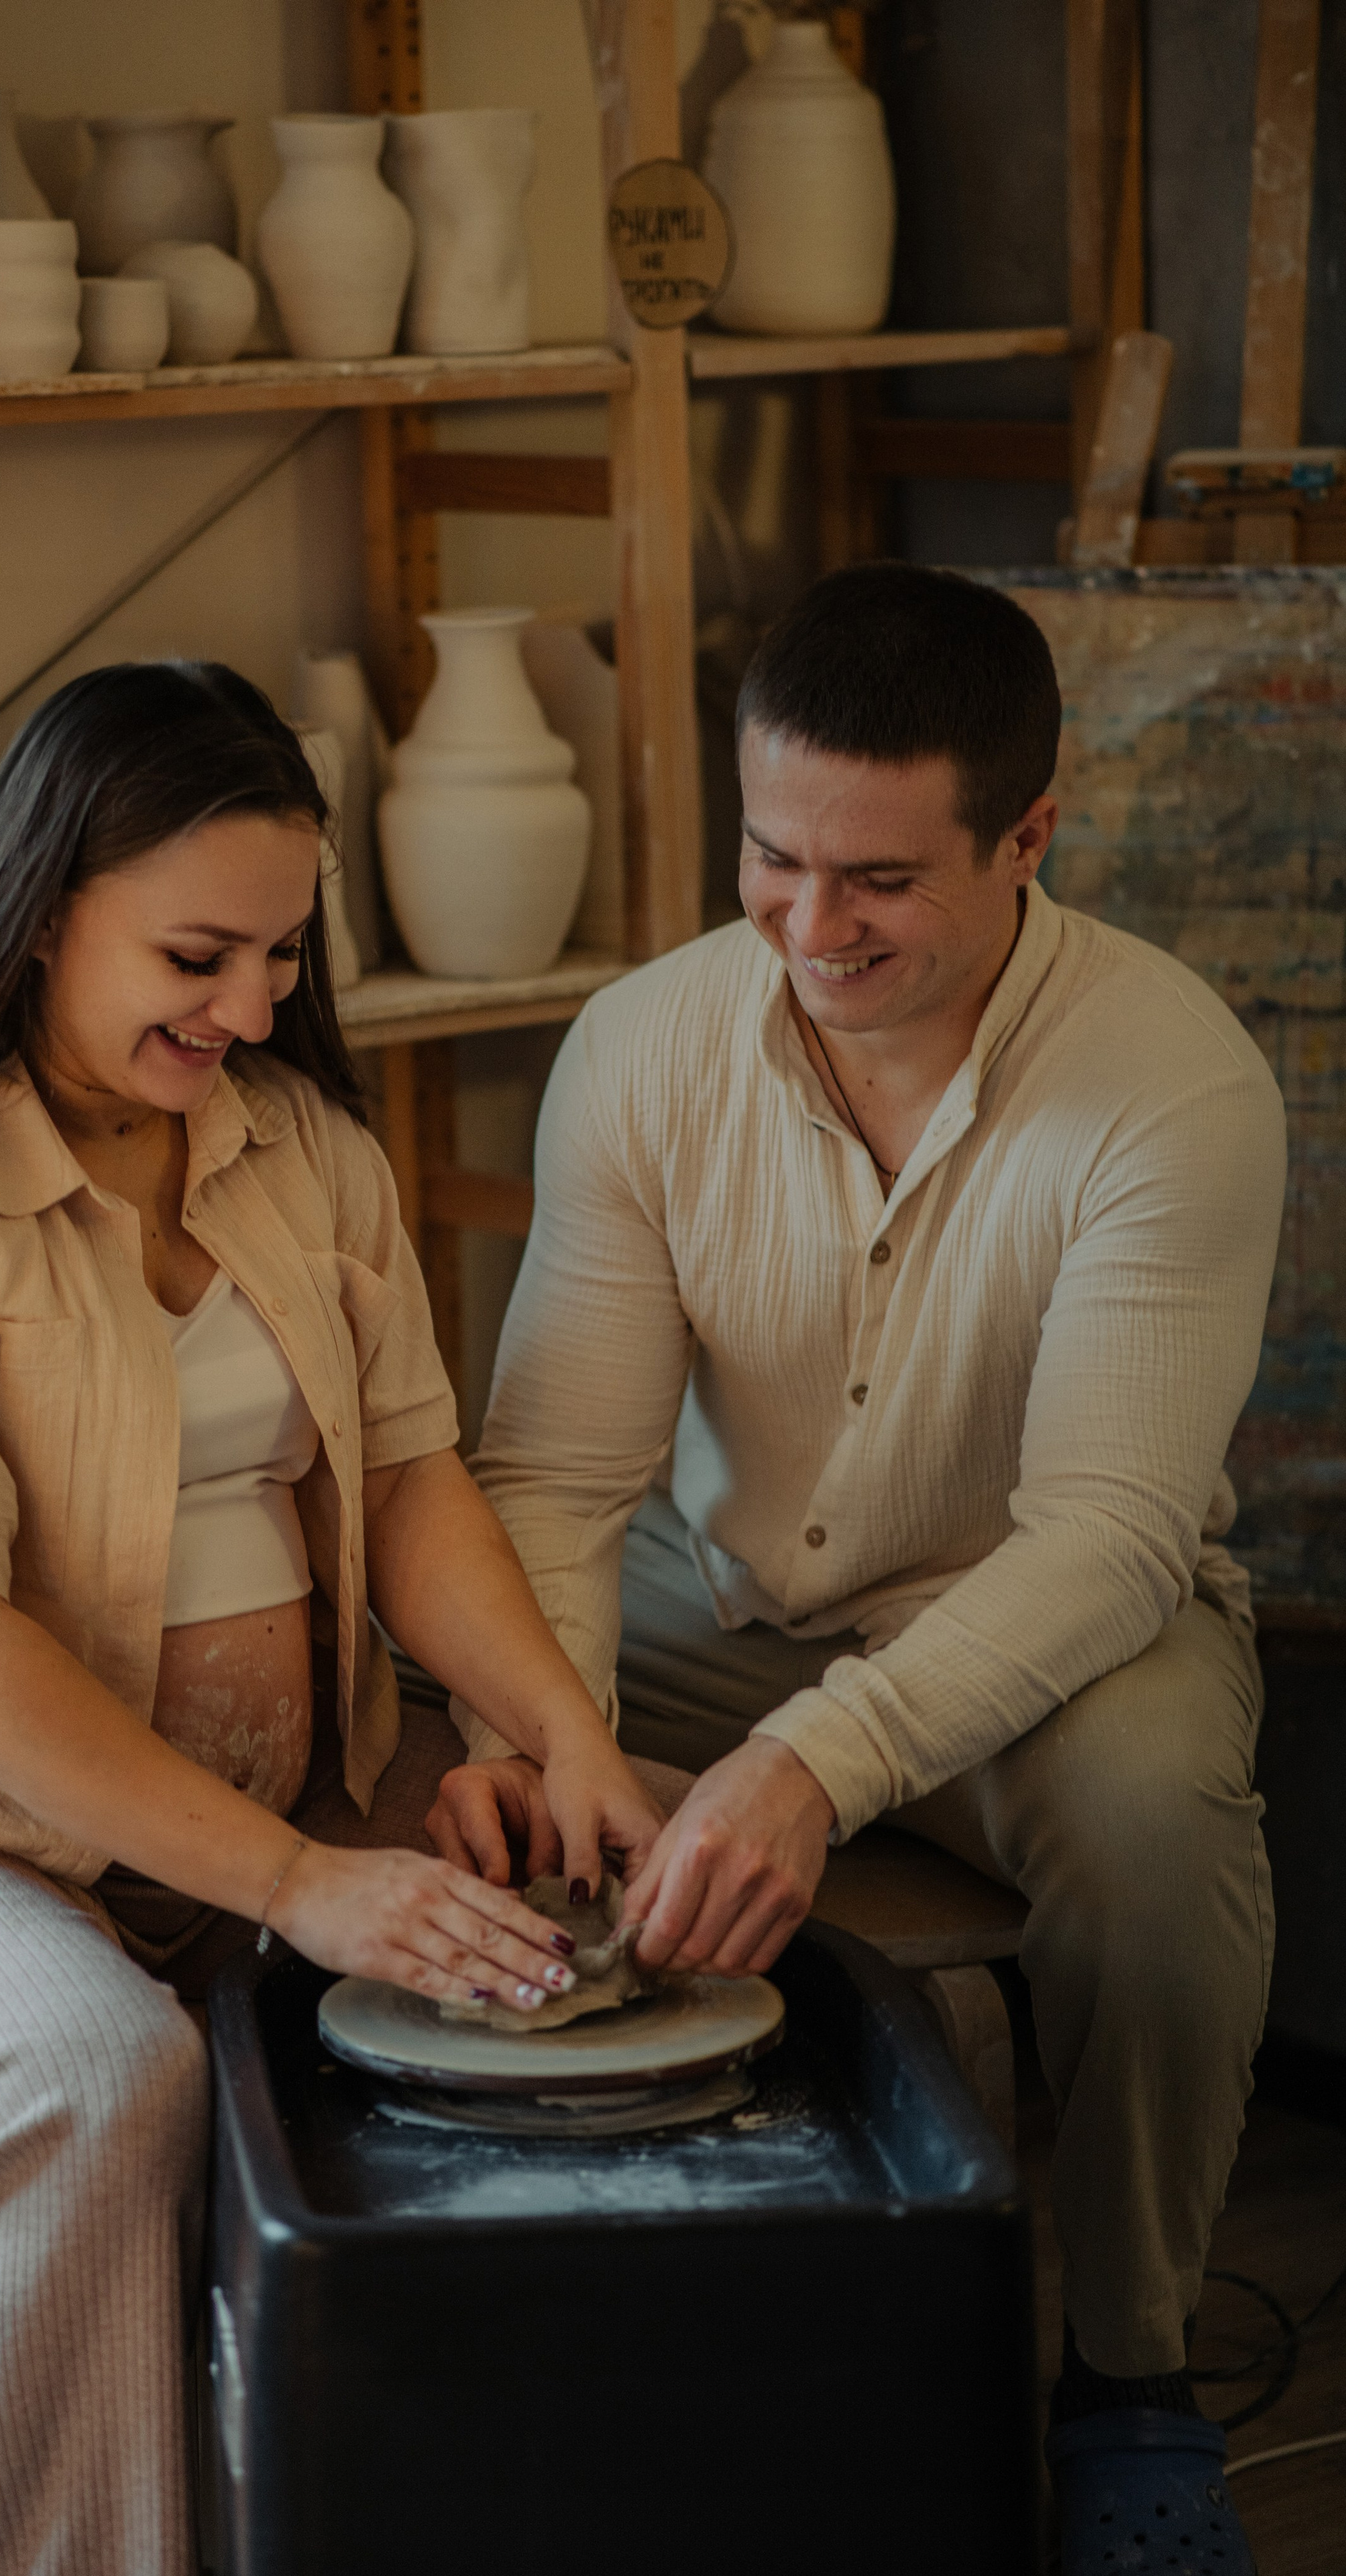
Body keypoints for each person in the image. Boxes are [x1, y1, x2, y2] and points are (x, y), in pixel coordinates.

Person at [0, 661, 665, 2576]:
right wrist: (298, 1880)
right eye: (201, 954)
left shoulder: (298, 1143)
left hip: (240, 1812)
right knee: (96, 2075)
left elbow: (419, 1479)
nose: (257, 1005)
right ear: (36, 912)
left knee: (608, 1921)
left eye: (283, 955)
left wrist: (558, 1735)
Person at [427, 565, 1283, 2575]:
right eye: (773, 858)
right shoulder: (643, 1047)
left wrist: (817, 1768)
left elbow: (1108, 1533)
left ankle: (1134, 2387)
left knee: (1163, 1831)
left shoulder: (1174, 1084)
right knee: (462, 1774)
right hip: (702, 1603)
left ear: (1029, 841)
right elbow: (555, 1474)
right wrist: (550, 1731)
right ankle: (558, 2329)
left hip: (1049, 1624)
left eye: (881, 881)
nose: (814, 931)